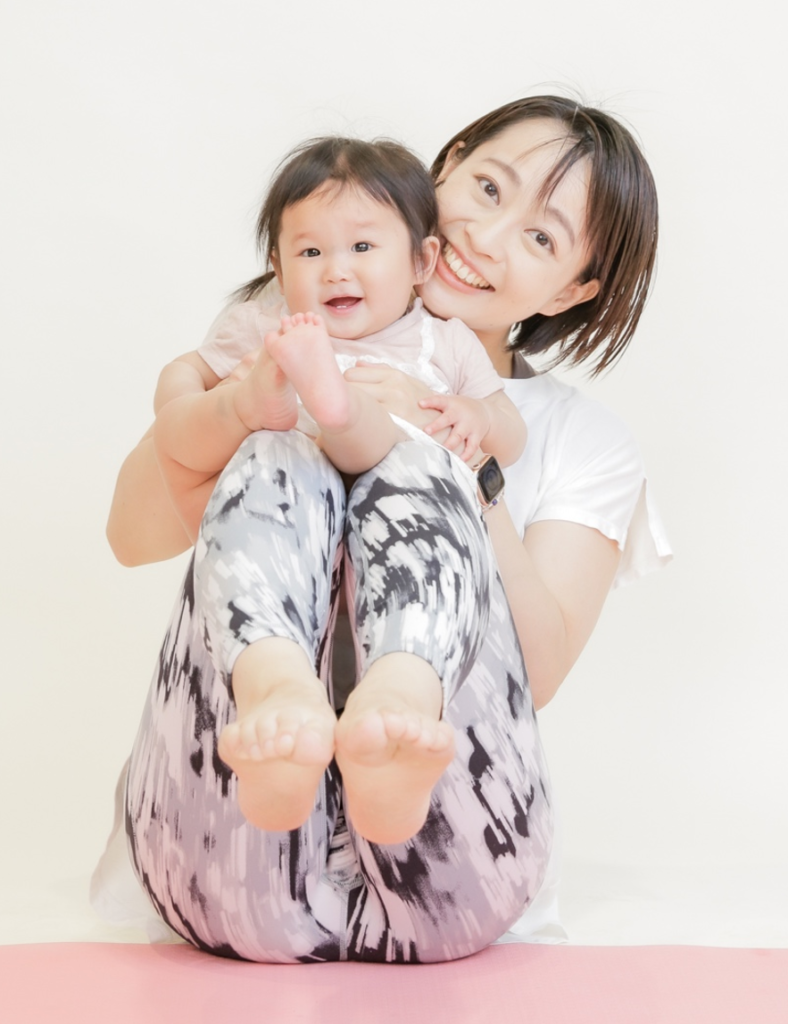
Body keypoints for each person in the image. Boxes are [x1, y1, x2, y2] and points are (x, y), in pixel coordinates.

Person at [104, 96, 671, 963]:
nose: (487, 236)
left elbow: (541, 670)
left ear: (573, 289)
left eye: (541, 237)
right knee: (274, 454)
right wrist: (245, 408)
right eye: (488, 188)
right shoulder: (289, 328)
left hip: (449, 872)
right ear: (446, 166)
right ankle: (279, 703)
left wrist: (447, 448)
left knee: (417, 464)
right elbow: (131, 535)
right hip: (228, 858)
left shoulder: (581, 439)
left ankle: (395, 723)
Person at [153, 137, 525, 528]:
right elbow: (184, 370)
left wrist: (481, 416)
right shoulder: (268, 330)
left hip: (404, 529)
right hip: (281, 520)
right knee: (202, 431)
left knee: (392, 451)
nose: (336, 272)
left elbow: (513, 437)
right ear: (280, 271)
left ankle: (342, 414)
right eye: (311, 253)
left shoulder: (446, 341)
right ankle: (283, 410)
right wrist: (189, 408)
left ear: (420, 259)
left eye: (362, 246)